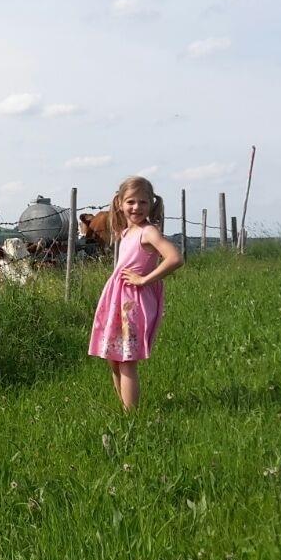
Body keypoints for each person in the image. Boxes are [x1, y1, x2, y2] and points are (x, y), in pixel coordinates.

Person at [88, 176, 184, 411]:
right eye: (130, 201)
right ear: (120, 203)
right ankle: (124, 408)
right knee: (114, 358)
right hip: (118, 299)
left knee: (126, 360)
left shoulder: (148, 232)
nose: (136, 207)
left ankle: (131, 417)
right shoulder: (126, 232)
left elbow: (175, 258)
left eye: (143, 202)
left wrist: (144, 279)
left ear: (151, 203)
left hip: (134, 302)